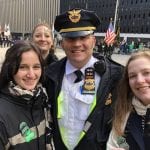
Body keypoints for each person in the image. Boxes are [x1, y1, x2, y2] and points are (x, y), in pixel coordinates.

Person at [45, 8, 123, 150]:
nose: (76, 44)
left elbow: (125, 117)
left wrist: (122, 145)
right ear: (62, 44)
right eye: (70, 38)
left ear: (93, 41)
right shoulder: (49, 75)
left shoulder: (115, 76)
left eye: (83, 37)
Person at [0, 41, 52, 149]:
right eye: (23, 67)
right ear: (10, 68)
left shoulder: (42, 99)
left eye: (36, 67)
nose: (31, 75)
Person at [107, 50, 150, 150]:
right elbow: (115, 144)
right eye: (133, 76)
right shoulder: (123, 114)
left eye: (146, 73)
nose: (139, 80)